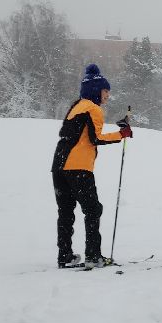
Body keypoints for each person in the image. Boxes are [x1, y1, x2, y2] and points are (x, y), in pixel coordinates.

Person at [51, 63, 131, 268]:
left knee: (66, 212)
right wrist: (121, 134)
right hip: (78, 167)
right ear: (96, 90)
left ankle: (65, 256)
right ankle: (93, 256)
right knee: (93, 210)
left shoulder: (77, 106)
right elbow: (96, 138)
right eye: (106, 91)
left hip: (59, 165)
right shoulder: (94, 109)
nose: (108, 96)